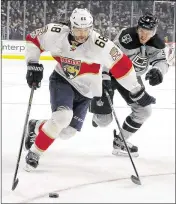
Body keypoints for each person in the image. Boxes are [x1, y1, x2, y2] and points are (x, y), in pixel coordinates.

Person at [24, 8, 155, 171]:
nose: (81, 35)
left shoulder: (100, 44)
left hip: (86, 91)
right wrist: (33, 63)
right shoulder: (56, 33)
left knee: (66, 132)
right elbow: (34, 39)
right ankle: (34, 152)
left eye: (85, 30)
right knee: (63, 117)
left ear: (91, 28)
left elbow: (122, 65)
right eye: (77, 30)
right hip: (62, 80)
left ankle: (36, 126)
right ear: (71, 26)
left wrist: (137, 90)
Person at [90, 12, 169, 157]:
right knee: (103, 121)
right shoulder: (126, 37)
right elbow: (109, 55)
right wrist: (105, 77)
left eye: (148, 32)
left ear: (154, 31)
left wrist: (158, 71)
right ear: (137, 28)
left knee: (144, 110)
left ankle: (120, 141)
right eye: (142, 31)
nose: (144, 36)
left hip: (131, 78)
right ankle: (97, 114)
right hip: (112, 75)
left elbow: (162, 62)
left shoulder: (157, 44)